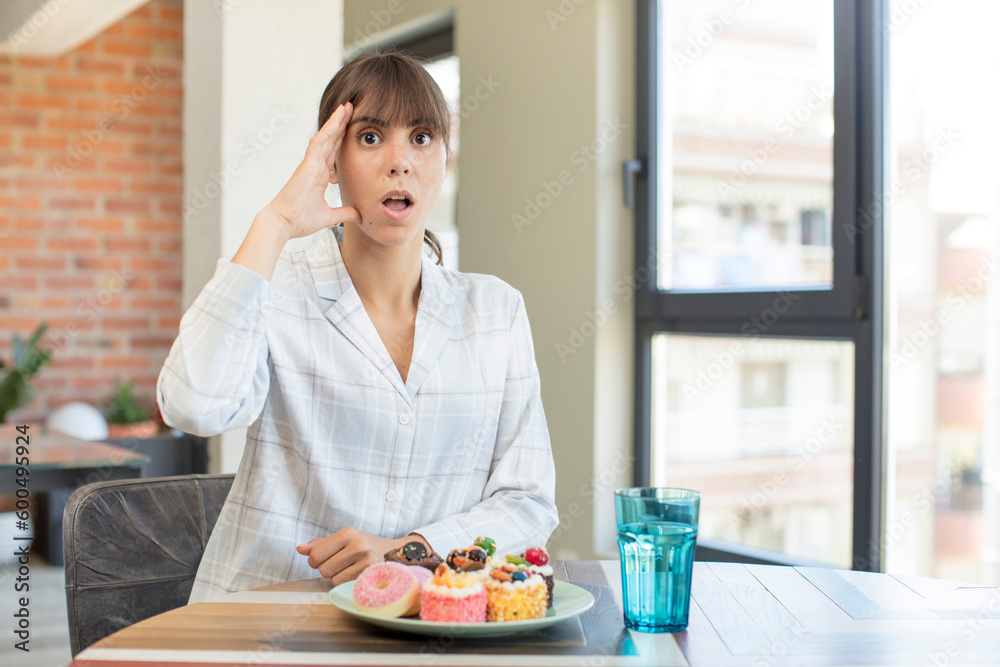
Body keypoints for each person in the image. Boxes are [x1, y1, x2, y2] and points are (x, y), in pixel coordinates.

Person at [157, 50, 558, 604]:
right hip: (264, 622)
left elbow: (528, 503)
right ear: (331, 161)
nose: (400, 162)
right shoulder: (273, 287)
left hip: (426, 622)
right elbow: (193, 405)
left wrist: (410, 550)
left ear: (445, 159)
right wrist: (275, 223)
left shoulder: (496, 312)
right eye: (370, 138)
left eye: (421, 138)